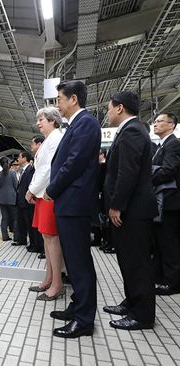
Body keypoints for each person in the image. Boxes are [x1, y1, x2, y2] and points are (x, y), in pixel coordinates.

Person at [44, 80, 101, 338]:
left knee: (79, 262)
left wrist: (51, 189)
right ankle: (78, 306)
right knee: (75, 260)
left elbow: (74, 163)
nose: (58, 103)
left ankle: (84, 320)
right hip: (70, 204)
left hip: (74, 204)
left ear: (73, 99)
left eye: (59, 99)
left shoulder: (86, 123)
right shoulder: (76, 125)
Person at [102, 90, 157, 330]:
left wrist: (116, 205)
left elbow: (128, 173)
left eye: (109, 107)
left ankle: (143, 315)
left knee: (137, 262)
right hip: (131, 210)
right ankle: (132, 302)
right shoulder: (130, 130)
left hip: (132, 210)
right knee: (127, 259)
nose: (107, 112)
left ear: (120, 108)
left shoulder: (133, 131)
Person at [25, 107, 64, 301]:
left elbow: (47, 170)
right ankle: (49, 278)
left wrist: (31, 189)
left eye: (42, 119)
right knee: (47, 239)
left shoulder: (55, 139)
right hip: (43, 195)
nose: (38, 123)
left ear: (53, 121)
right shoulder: (49, 140)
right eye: (38, 119)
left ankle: (57, 283)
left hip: (48, 194)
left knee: (52, 239)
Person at [151, 113, 180, 296]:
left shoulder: (173, 144)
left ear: (171, 125)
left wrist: (146, 176)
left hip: (170, 202)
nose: (155, 124)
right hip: (161, 202)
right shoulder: (161, 146)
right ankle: (161, 278)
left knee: (170, 244)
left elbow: (168, 170)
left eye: (160, 121)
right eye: (155, 121)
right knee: (160, 242)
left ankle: (172, 282)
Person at [16, 151, 39, 252]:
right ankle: (32, 243)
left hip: (28, 203)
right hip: (23, 203)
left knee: (31, 225)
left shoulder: (30, 170)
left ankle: (35, 245)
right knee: (28, 224)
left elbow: (29, 185)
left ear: (25, 158)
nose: (18, 159)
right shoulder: (24, 170)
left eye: (19, 157)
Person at [0, 157, 18, 242]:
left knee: (4, 218)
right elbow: (16, 185)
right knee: (15, 218)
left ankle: (5, 237)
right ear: (8, 163)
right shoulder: (12, 173)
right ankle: (16, 237)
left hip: (2, 199)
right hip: (12, 199)